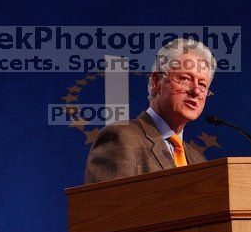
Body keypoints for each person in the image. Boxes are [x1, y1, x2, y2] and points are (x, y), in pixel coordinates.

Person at [84, 38, 215, 184]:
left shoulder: (199, 161)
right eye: (185, 79)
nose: (196, 91)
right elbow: (109, 206)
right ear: (156, 82)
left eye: (202, 84)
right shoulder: (122, 138)